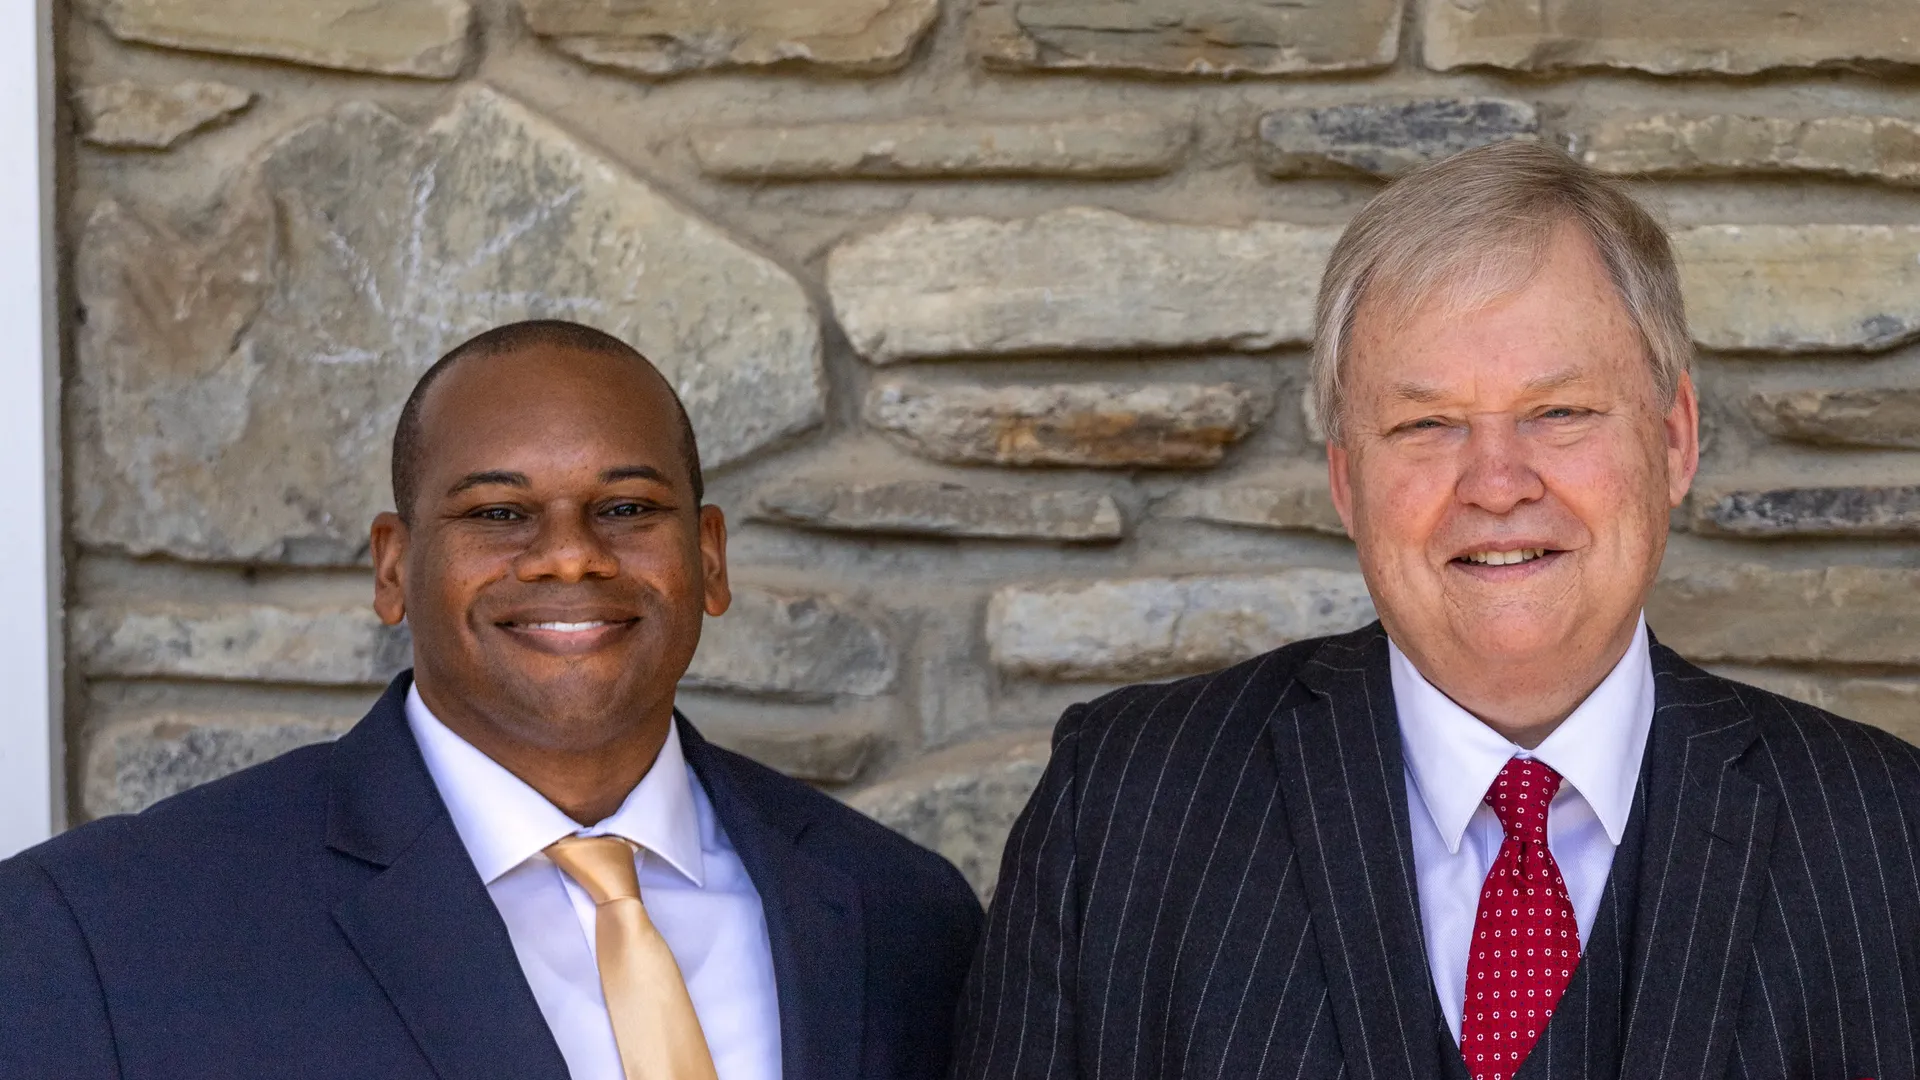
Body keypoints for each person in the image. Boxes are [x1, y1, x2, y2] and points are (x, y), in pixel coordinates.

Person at [954, 141, 1920, 1080]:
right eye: (1426, 424)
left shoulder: (1887, 834)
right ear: (1346, 482)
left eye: (1559, 412)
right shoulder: (1125, 807)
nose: (1497, 484)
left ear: (1673, 441)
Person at [0, 320, 983, 1080]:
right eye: (499, 513)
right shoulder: (107, 930)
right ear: (394, 567)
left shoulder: (900, 912)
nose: (568, 553)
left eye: (629, 509)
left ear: (709, 557)